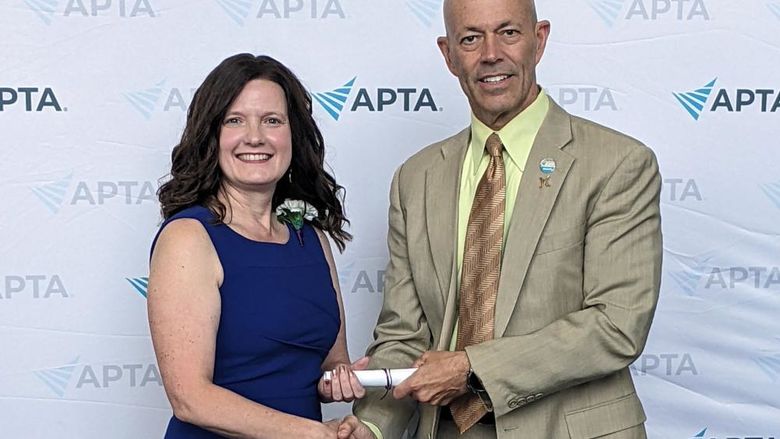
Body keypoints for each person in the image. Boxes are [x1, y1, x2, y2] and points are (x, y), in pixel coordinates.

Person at [338, 0, 662, 438]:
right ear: (448, 54)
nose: (491, 53)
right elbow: (403, 336)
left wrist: (471, 368)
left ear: (539, 39)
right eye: (470, 38)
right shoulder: (416, 179)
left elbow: (616, 325)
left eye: (508, 32)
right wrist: (372, 427)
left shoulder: (617, 163)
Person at [147, 53, 367, 439]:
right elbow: (190, 398)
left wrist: (340, 379)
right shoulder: (188, 238)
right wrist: (313, 434)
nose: (255, 137)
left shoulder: (311, 237)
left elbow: (328, 365)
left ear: (292, 135)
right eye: (235, 120)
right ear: (211, 135)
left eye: (272, 121)